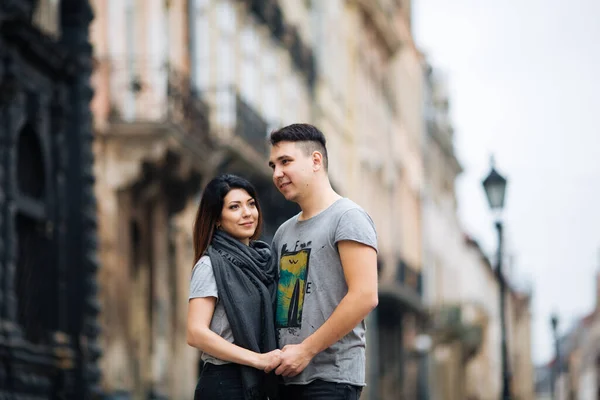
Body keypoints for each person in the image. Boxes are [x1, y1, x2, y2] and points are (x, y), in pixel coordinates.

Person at [267, 123, 379, 400]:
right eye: (273, 166)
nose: (277, 174)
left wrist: (305, 350)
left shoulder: (348, 217)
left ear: (316, 160)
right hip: (286, 379)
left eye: (285, 162)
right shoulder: (283, 232)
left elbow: (365, 296)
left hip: (331, 380)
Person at [187, 174, 281, 400]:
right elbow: (195, 333)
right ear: (217, 218)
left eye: (251, 204)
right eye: (234, 207)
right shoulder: (210, 265)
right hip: (225, 383)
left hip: (258, 382)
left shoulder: (265, 262)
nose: (247, 213)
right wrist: (257, 359)